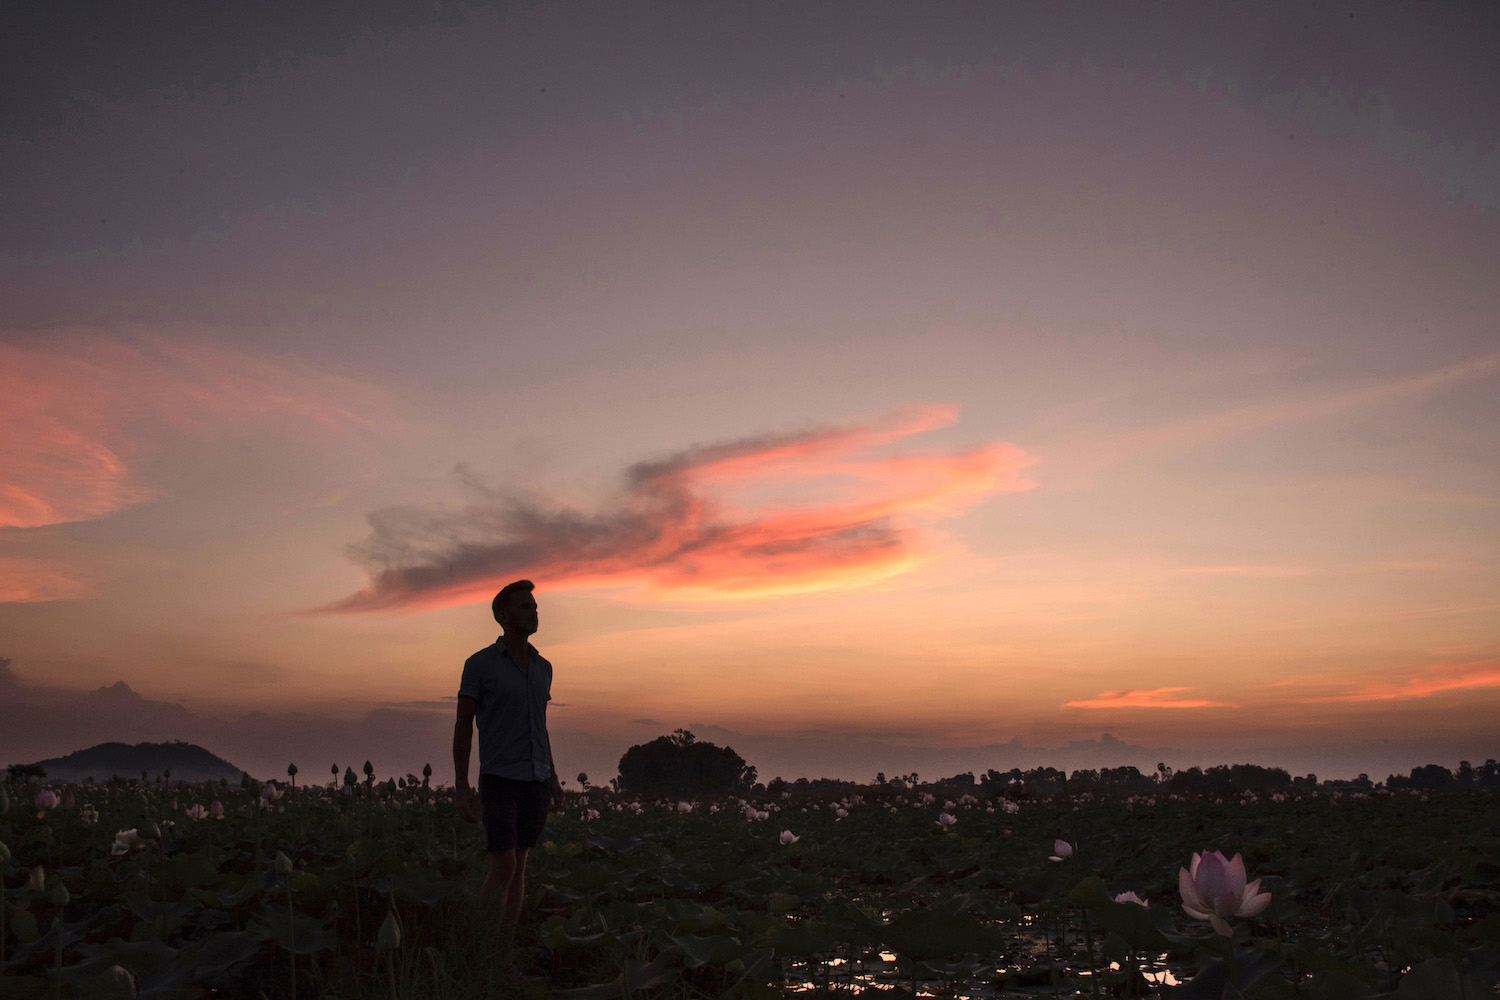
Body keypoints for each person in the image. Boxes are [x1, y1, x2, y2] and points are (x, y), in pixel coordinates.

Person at [453, 578, 563, 952]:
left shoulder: (544, 667)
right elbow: (463, 725)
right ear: (502, 615)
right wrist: (462, 786)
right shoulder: (480, 665)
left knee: (521, 862)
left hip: (536, 779)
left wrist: (554, 776)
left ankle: (503, 950)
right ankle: (478, 946)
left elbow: (539, 725)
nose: (532, 612)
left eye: (534, 607)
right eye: (523, 607)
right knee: (504, 865)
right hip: (500, 778)